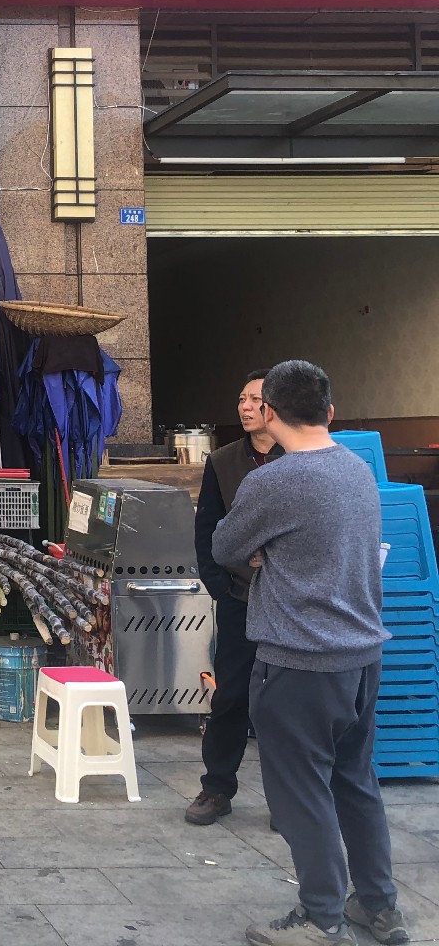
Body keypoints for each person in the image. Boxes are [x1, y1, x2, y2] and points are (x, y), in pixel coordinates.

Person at [213, 360, 406, 946]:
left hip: (298, 662)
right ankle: (378, 905)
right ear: (330, 411)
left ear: (269, 411)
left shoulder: (273, 481)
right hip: (363, 657)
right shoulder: (356, 469)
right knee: (356, 782)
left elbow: (225, 546)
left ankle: (321, 918)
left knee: (301, 794)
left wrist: (262, 551)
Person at [185, 368, 283, 826]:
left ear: (277, 405)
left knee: (285, 703)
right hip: (240, 598)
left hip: (292, 603)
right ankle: (217, 787)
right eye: (241, 399)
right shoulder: (223, 461)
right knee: (229, 697)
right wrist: (219, 585)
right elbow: (207, 528)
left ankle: (289, 801)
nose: (245, 407)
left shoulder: (300, 458)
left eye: (255, 399)